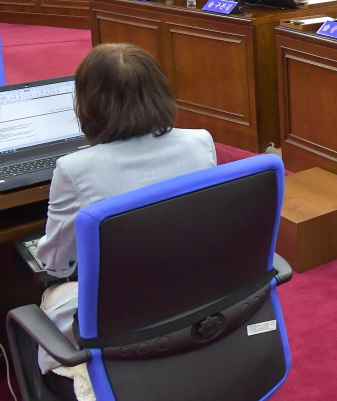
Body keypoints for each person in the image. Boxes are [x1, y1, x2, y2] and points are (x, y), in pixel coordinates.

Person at [34, 43, 216, 390]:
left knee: (53, 295)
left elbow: (55, 266)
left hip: (118, 325)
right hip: (192, 301)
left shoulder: (74, 169)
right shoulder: (200, 142)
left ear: (88, 104)